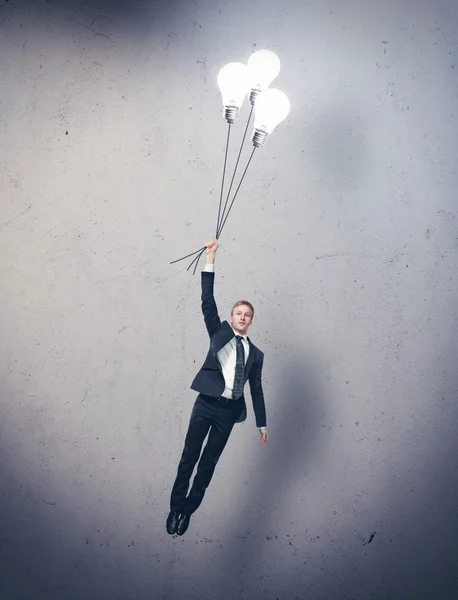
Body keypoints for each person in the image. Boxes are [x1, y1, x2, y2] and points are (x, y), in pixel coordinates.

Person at [166, 236, 268, 536]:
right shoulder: (219, 332)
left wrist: (262, 424)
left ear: (251, 321)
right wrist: (210, 257)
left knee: (208, 465)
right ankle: (174, 508)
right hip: (206, 403)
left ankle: (187, 512)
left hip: (229, 412)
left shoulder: (257, 354)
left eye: (247, 315)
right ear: (233, 316)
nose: (242, 317)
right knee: (189, 457)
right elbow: (207, 300)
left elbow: (257, 389)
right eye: (239, 313)